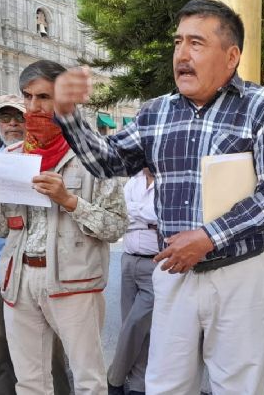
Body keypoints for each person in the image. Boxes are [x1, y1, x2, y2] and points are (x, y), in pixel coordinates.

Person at [52, 0, 264, 394]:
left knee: (238, 386)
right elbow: (107, 162)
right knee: (165, 384)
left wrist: (208, 237)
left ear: (231, 56)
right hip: (173, 272)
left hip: (241, 272)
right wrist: (67, 114)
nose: (181, 54)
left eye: (196, 43)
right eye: (178, 42)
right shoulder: (155, 113)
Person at [0, 60, 128, 395]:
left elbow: (115, 226)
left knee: (88, 380)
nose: (34, 108)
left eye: (44, 97)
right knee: (30, 382)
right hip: (20, 280)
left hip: (73, 280)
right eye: (28, 97)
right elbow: (2, 228)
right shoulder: (16, 155)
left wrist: (69, 200)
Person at [0, 94, 71, 395]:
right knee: (1, 347)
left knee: (50, 350)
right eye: (5, 118)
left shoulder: (46, 160)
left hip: (41, 272)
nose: (12, 124)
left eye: (18, 117)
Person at [108, 168, 157, 395]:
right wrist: (145, 219)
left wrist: (134, 214)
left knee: (135, 325)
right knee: (138, 330)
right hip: (128, 260)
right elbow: (120, 211)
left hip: (156, 264)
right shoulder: (133, 181)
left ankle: (115, 378)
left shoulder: (169, 180)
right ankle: (138, 386)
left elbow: (160, 214)